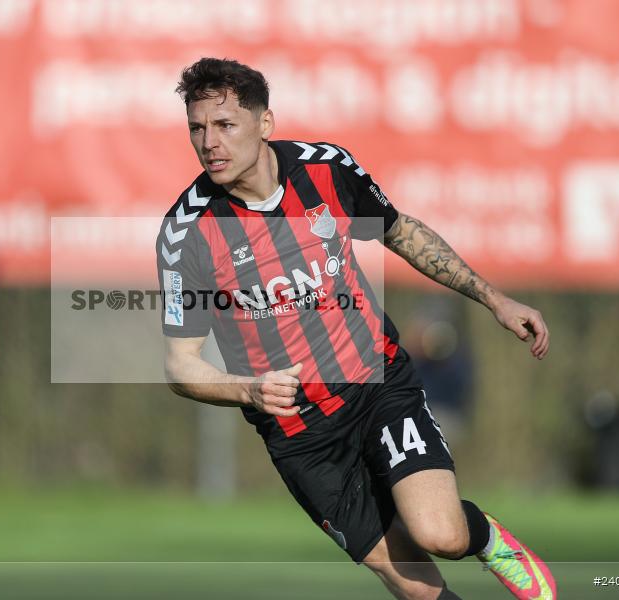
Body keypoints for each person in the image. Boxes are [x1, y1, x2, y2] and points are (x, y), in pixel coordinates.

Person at [156, 58, 555, 600]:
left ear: (264, 124)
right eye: (197, 129)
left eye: (225, 125)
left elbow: (400, 232)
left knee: (439, 533)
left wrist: (493, 298)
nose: (210, 143)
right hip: (302, 435)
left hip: (377, 385)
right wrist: (246, 389)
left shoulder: (326, 169)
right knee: (414, 585)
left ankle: (487, 539)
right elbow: (180, 365)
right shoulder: (188, 233)